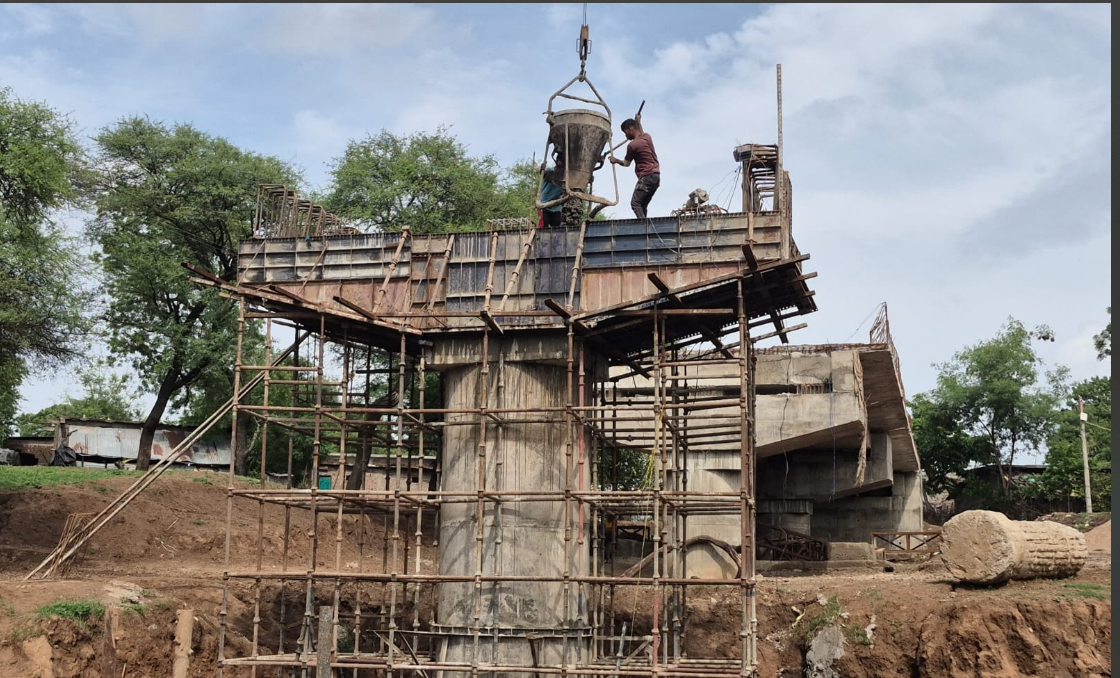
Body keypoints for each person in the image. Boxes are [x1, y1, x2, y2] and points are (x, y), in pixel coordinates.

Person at [609, 112, 660, 219]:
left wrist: (615, 160)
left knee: (635, 203)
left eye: (625, 132)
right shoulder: (647, 137)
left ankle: (643, 226)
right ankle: (645, 225)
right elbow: (641, 133)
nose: (626, 135)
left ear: (630, 129)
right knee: (642, 205)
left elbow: (626, 164)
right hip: (656, 177)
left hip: (646, 177)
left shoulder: (632, 145)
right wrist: (638, 122)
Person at [538, 160, 564, 228]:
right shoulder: (551, 170)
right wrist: (542, 169)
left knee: (557, 228)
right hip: (544, 204)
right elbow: (543, 173)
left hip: (556, 206)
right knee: (543, 227)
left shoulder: (565, 175)